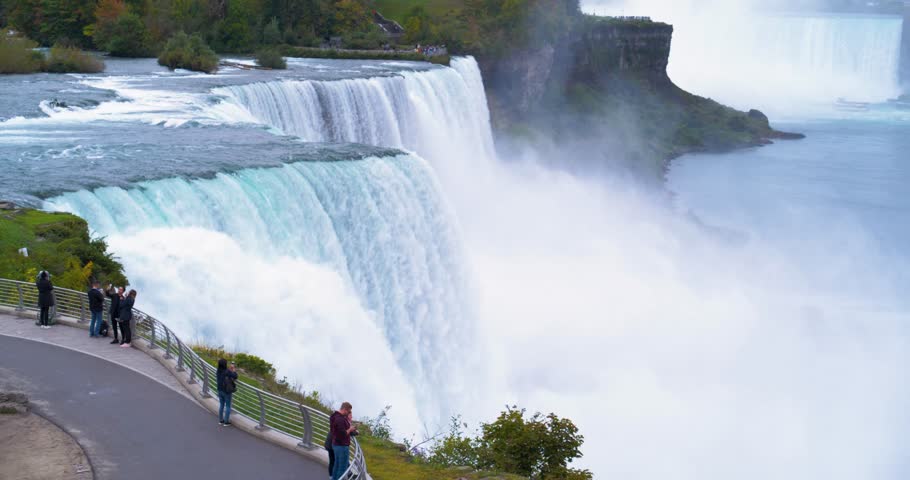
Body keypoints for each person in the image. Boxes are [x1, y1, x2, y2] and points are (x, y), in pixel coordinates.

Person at [330, 402, 357, 480]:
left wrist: (350, 429)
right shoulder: (340, 419)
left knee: (336, 465)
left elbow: (336, 431)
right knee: (342, 469)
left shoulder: (334, 416)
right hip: (342, 446)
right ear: (345, 410)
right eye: (348, 412)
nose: (349, 413)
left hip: (335, 444)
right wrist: (350, 429)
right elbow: (342, 434)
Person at [216, 359, 238, 426]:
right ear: (225, 364)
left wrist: (229, 369)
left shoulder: (218, 371)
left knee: (221, 405)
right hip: (226, 391)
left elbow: (225, 374)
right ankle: (226, 422)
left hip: (220, 390)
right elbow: (235, 376)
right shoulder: (227, 371)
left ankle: (221, 420)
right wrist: (233, 370)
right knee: (228, 406)